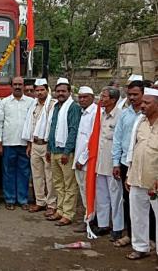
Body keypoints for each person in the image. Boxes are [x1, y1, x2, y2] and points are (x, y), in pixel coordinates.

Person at [125, 88, 158, 263]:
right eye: (142, 102)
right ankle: (140, 247)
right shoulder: (140, 122)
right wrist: (129, 174)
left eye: (147, 103)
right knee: (137, 215)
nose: (142, 105)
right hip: (137, 176)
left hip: (155, 181)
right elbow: (133, 149)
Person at [112, 80, 144, 247]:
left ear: (143, 94)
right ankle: (130, 235)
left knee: (146, 203)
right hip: (126, 163)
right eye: (129, 94)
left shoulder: (148, 115)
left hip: (144, 165)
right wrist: (116, 163)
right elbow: (117, 139)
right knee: (128, 200)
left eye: (135, 95)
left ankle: (148, 238)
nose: (132, 98)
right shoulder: (124, 114)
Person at [46, 78, 81, 226]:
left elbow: (73, 130)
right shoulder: (56, 107)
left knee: (69, 184)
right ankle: (59, 210)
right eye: (58, 91)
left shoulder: (73, 107)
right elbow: (52, 128)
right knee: (58, 184)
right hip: (54, 151)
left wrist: (67, 152)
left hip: (66, 153)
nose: (60, 93)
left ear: (69, 92)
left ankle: (68, 213)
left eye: (63, 91)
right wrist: (49, 149)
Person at [0, 77, 34, 210]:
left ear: (24, 86)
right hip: (8, 143)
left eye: (20, 84)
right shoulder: (5, 102)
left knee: (24, 172)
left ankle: (23, 200)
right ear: (11, 86)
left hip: (24, 144)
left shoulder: (31, 102)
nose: (18, 86)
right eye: (15, 84)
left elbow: (32, 123)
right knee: (8, 172)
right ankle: (10, 199)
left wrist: (30, 143)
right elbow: (0, 123)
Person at [22, 78, 57, 215]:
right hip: (35, 144)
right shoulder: (34, 105)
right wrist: (29, 145)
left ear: (47, 90)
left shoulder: (52, 105)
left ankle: (51, 204)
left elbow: (53, 127)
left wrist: (50, 148)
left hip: (47, 144)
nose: (39, 92)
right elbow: (30, 126)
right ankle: (40, 202)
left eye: (42, 89)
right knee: (37, 176)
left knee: (49, 176)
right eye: (37, 90)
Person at [95, 87, 124, 241]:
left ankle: (118, 227)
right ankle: (103, 224)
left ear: (113, 100)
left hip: (113, 162)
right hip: (100, 161)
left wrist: (116, 164)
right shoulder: (101, 114)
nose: (101, 98)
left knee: (116, 196)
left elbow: (119, 142)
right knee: (101, 195)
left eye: (104, 96)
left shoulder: (120, 115)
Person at [72, 86, 97, 233]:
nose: (82, 99)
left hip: (87, 161)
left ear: (92, 97)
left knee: (89, 192)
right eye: (80, 97)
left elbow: (92, 139)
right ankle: (89, 218)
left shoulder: (95, 113)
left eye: (85, 97)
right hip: (79, 159)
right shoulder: (83, 113)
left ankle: (90, 220)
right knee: (83, 190)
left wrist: (83, 159)